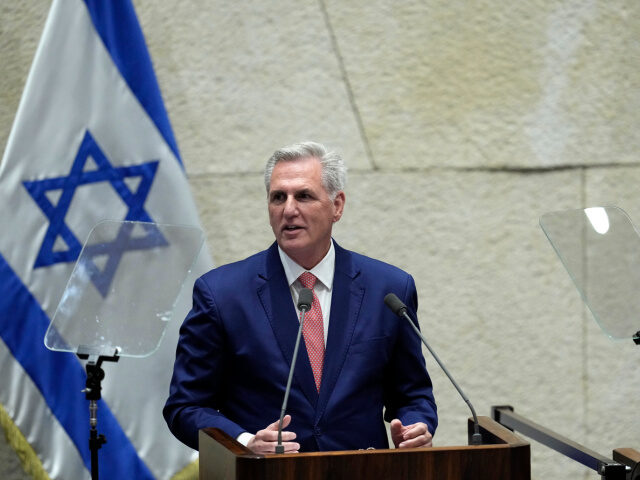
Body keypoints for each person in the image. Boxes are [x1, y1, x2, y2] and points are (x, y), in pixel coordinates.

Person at [163, 141, 437, 453]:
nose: (289, 209)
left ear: (337, 205)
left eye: (304, 196)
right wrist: (246, 443)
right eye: (278, 197)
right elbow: (185, 407)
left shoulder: (388, 289)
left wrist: (417, 426)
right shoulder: (222, 294)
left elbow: (413, 395)